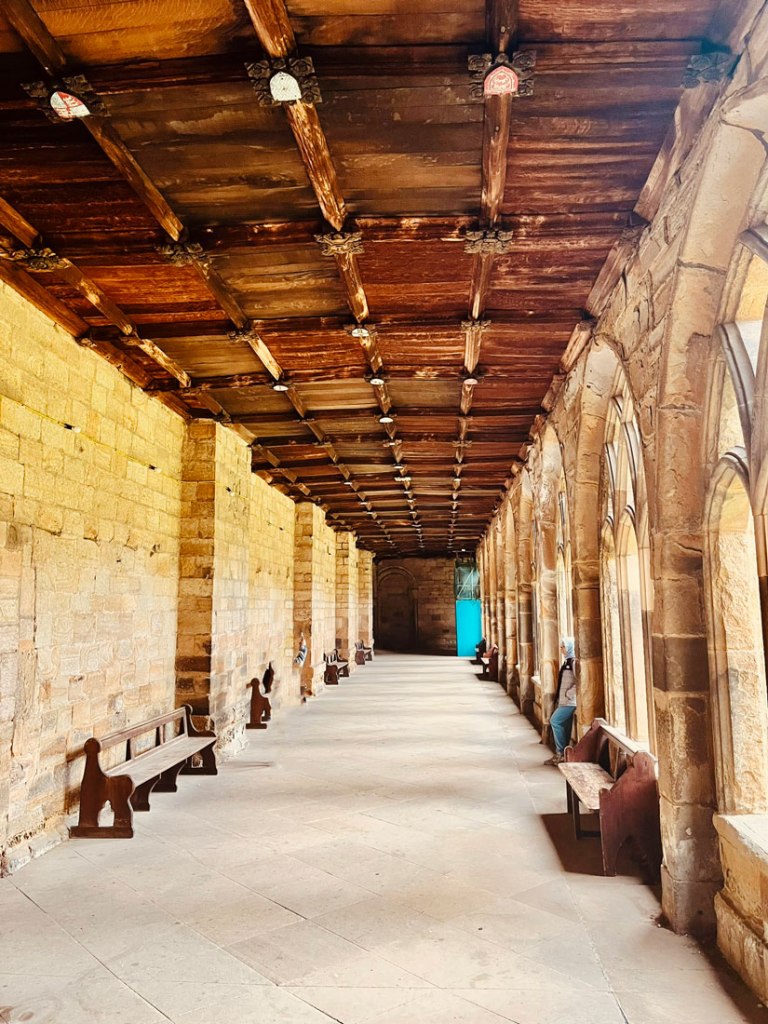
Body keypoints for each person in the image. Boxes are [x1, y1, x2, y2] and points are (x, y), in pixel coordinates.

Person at [545, 637, 577, 765]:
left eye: (563, 647)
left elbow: (580, 681)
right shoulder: (566, 662)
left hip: (570, 702)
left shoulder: (573, 662)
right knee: (565, 727)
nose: (561, 649)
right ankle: (564, 754)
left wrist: (568, 694)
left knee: (555, 721)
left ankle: (560, 753)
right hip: (564, 701)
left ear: (569, 647)